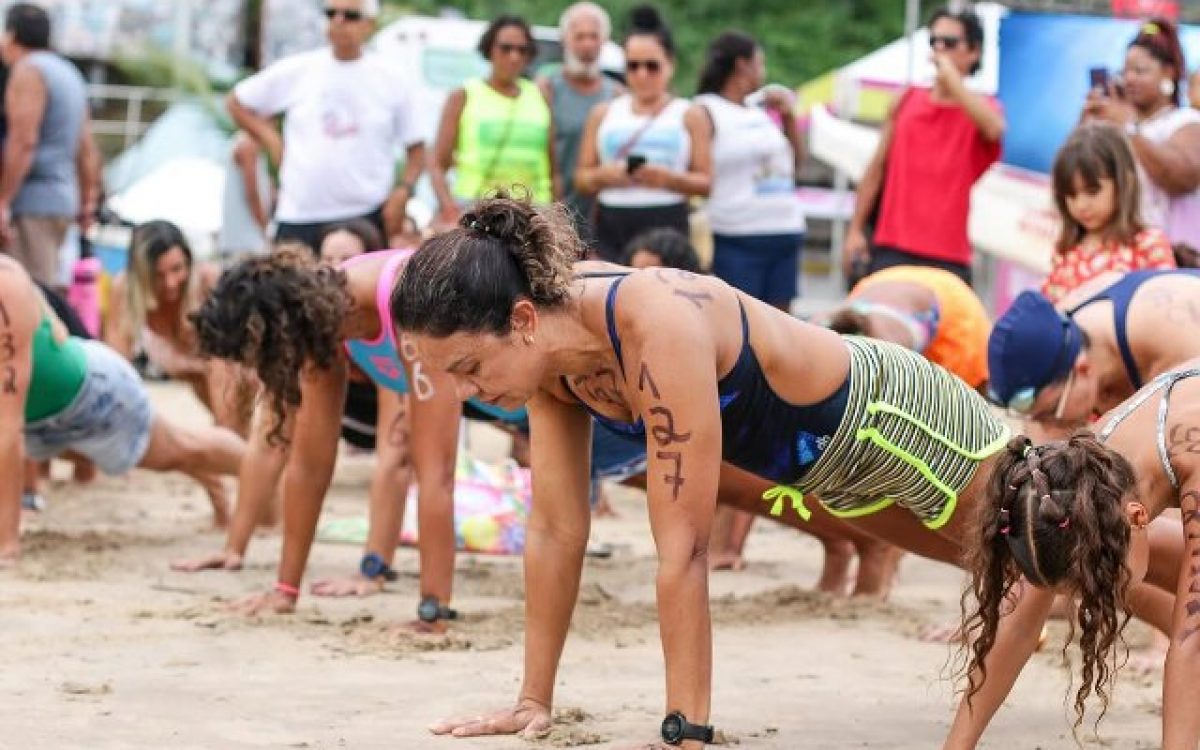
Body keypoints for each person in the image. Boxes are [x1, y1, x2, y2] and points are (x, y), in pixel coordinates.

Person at [391, 194, 1095, 744]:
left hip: (892, 419)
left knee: (1073, 546)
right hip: (829, 475)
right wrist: (532, 701)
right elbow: (554, 529)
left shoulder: (651, 321)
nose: (465, 393)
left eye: (468, 369)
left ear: (519, 321)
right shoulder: (550, 363)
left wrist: (684, 730)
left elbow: (685, 548)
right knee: (1031, 567)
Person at [186, 246, 464, 629]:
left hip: (519, 385)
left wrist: (432, 613)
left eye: (258, 359)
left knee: (425, 459)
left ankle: (436, 602)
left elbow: (436, 474)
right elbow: (310, 464)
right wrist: (285, 589)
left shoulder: (401, 296)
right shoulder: (325, 323)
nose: (257, 374)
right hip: (476, 388)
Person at [955, 366, 1200, 746]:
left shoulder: (1187, 455)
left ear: (1138, 517)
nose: (1088, 598)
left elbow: (1191, 639)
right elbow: (1017, 625)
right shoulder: (1080, 480)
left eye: (1095, 580)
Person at [0, 256, 246, 564]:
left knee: (183, 449)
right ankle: (222, 483)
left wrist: (6, 546)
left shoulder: (6, 284)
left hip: (93, 396)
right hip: (39, 419)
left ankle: (268, 472)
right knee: (175, 454)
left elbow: (8, 430)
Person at [227, 0, 423, 250]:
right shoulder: (299, 69)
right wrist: (271, 140)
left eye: (350, 15)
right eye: (331, 13)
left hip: (363, 214)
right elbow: (236, 102)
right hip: (299, 214)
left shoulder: (392, 77)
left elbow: (417, 149)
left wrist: (403, 192)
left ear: (369, 25)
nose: (338, 22)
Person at [843, 6, 1004, 286]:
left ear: (974, 52)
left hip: (948, 258)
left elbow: (994, 129)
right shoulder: (907, 99)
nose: (939, 49)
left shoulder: (984, 109)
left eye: (950, 43)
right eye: (934, 41)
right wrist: (855, 229)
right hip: (892, 250)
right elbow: (876, 169)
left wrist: (952, 78)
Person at [574, 5, 712, 262]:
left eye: (652, 66)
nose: (642, 74)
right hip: (612, 221)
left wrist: (666, 178)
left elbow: (706, 182)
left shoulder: (690, 114)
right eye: (633, 66)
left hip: (667, 221)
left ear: (670, 65)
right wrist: (606, 175)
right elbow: (581, 179)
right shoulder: (603, 113)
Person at [988, 269, 1200, 434]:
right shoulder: (1060, 333)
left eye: (1052, 414)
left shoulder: (1171, 337)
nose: (1047, 429)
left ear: (1082, 368)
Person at [104, 220, 253, 434]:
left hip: (229, 370)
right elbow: (118, 369)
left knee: (221, 368)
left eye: (177, 269)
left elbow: (238, 356)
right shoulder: (125, 289)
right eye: (158, 275)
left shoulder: (208, 281)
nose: (170, 283)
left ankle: (229, 441)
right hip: (189, 368)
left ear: (188, 262)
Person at [695, 31, 806, 311]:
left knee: (783, 332)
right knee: (744, 328)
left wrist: (789, 117)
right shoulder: (706, 109)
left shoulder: (759, 112)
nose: (764, 71)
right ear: (743, 65)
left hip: (784, 229)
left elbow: (795, 165)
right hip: (739, 235)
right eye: (761, 62)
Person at [0, 2, 99, 291]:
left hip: (32, 201)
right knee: (47, 292)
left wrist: (3, 200)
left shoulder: (29, 71)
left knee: (25, 298)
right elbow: (86, 148)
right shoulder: (70, 74)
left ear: (11, 35)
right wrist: (86, 201)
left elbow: (24, 141)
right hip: (62, 201)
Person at [1083, 17, 1200, 250]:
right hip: (1125, 257)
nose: (1129, 79)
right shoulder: (1119, 124)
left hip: (1175, 261)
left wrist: (1129, 126)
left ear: (1169, 73)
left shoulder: (1187, 121)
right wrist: (1088, 124)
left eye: (1140, 71)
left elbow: (1182, 177)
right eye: (1125, 71)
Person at [431, 15, 556, 228]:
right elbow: (437, 163)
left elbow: (554, 168)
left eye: (521, 50)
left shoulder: (540, 96)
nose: (514, 56)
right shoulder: (464, 96)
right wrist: (448, 208)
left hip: (533, 212)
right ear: (489, 50)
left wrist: (555, 215)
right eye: (505, 48)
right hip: (477, 209)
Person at [1042, 122, 1175, 304]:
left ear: (1124, 182)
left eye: (1092, 191)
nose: (1081, 205)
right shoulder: (1066, 250)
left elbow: (1167, 309)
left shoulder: (1148, 246)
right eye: (1071, 195)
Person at [817, 266, 991, 392]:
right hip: (889, 282)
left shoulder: (886, 360)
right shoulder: (823, 326)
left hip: (957, 311)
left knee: (962, 412)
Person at [539, 2, 620, 244]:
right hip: (554, 212)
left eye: (594, 37)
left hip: (603, 218)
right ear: (565, 40)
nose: (587, 45)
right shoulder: (547, 88)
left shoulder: (616, 94)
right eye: (580, 37)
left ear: (604, 41)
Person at [216, 131, 273, 258]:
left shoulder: (249, 145)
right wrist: (265, 228)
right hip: (247, 243)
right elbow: (252, 194)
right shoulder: (247, 145)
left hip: (244, 242)